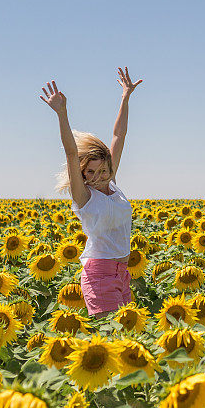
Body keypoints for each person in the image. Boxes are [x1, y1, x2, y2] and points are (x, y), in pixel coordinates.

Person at [39, 67, 143, 319]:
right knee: (111, 335)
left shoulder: (113, 185)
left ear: (110, 167)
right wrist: (62, 114)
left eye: (103, 171)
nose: (97, 177)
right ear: (82, 173)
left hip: (122, 271)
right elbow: (71, 153)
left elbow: (119, 135)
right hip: (99, 273)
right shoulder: (84, 197)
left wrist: (125, 97)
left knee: (126, 337)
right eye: (90, 173)